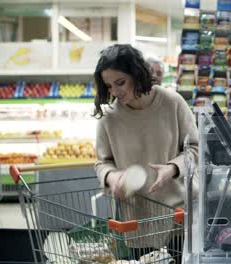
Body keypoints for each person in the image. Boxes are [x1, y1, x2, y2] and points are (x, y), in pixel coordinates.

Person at [93, 44, 198, 261]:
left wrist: (172, 168)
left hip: (179, 215)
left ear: (137, 73)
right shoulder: (109, 118)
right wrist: (112, 176)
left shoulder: (172, 102)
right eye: (109, 86)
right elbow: (102, 163)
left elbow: (196, 150)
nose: (115, 92)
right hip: (137, 221)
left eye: (120, 82)